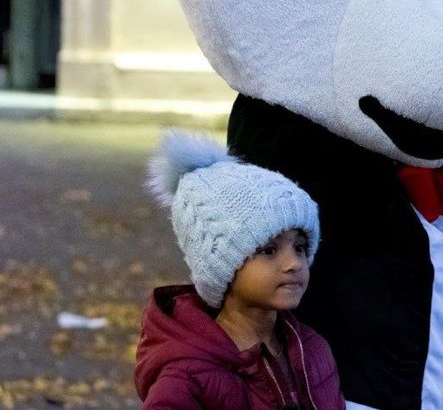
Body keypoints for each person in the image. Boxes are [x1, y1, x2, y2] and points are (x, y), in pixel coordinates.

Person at [133, 131, 344, 409]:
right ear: (223, 267)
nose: (294, 263)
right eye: (269, 250)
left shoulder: (313, 351)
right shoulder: (187, 378)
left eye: (300, 247)